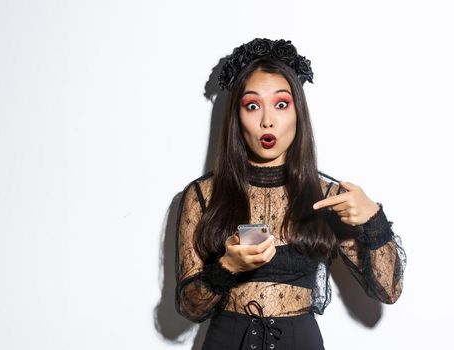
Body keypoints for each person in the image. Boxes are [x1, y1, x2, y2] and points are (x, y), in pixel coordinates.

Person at [174, 38, 406, 350]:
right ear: (236, 116)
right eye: (252, 105)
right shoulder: (203, 195)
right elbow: (190, 308)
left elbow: (388, 291)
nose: (267, 120)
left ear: (298, 113)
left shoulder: (327, 196)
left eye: (281, 104)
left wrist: (373, 221)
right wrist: (226, 268)